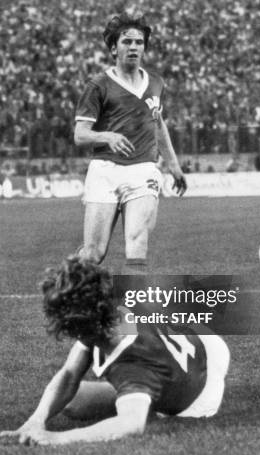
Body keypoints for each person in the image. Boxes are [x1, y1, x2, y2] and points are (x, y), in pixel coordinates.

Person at [1, 256, 230, 445]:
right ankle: (140, 397)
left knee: (141, 415)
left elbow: (132, 425)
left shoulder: (131, 365)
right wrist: (36, 420)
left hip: (201, 395)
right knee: (72, 402)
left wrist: (54, 438)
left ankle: (149, 404)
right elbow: (70, 373)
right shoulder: (109, 307)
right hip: (203, 343)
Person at [73, 13, 187, 274]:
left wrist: (174, 166)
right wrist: (107, 136)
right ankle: (64, 290)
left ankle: (131, 314)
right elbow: (80, 134)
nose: (133, 47)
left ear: (144, 47)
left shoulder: (156, 83)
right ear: (114, 48)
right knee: (93, 254)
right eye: (127, 41)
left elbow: (158, 124)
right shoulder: (98, 85)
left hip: (144, 170)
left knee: (137, 244)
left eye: (139, 42)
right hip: (105, 170)